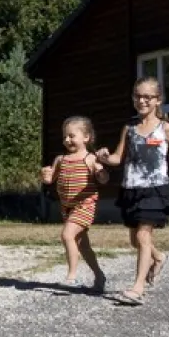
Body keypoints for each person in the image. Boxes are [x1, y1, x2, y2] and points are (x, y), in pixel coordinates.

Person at [95, 76, 169, 306]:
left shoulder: (166, 128)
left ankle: (138, 288)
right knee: (135, 240)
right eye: (138, 96)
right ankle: (159, 257)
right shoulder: (129, 128)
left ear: (158, 100)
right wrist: (105, 158)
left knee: (144, 236)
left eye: (148, 97)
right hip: (131, 188)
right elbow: (117, 158)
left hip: (155, 189)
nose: (142, 101)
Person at [41, 116, 109, 293]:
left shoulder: (90, 158)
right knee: (83, 246)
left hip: (85, 205)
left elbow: (104, 178)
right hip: (68, 207)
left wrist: (102, 174)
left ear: (86, 137)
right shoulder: (61, 159)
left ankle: (71, 276)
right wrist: (45, 175)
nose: (67, 140)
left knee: (67, 235)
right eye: (65, 137)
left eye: (72, 136)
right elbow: (50, 180)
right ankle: (99, 275)